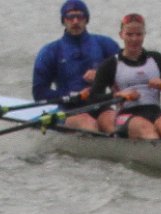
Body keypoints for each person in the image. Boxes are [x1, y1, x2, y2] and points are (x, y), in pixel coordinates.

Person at [87, 13, 161, 140]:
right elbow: (94, 99)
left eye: (139, 34)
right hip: (125, 116)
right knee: (146, 129)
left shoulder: (157, 59)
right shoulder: (110, 64)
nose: (134, 39)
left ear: (144, 34)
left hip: (155, 111)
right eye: (129, 34)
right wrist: (117, 96)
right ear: (121, 35)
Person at [32, 0, 118, 132]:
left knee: (112, 122)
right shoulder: (50, 51)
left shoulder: (105, 44)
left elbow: (126, 71)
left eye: (80, 16)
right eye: (70, 17)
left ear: (86, 19)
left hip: (101, 106)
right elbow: (39, 93)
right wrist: (70, 96)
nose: (75, 21)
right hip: (69, 110)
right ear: (63, 21)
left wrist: (102, 74)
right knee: (87, 123)